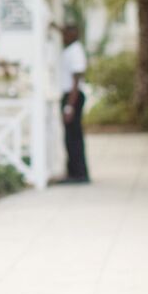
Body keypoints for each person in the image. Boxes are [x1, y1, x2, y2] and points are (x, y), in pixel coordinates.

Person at [58, 23, 90, 183]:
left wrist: (70, 106)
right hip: (70, 96)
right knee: (69, 137)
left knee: (74, 137)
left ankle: (79, 173)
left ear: (73, 34)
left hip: (73, 96)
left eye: (65, 33)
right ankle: (73, 171)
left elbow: (76, 79)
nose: (62, 36)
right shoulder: (70, 49)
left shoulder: (76, 51)